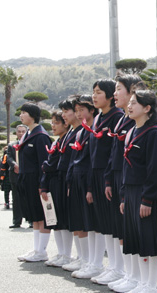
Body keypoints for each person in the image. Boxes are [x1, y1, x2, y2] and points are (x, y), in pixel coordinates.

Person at [119, 89, 157, 293]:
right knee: (136, 239)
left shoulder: (155, 133)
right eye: (129, 102)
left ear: (147, 108)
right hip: (130, 191)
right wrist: (123, 196)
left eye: (134, 103)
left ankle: (151, 285)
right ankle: (142, 282)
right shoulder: (131, 131)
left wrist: (148, 199)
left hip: (145, 192)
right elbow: (125, 166)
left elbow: (156, 169)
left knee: (150, 239)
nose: (129, 106)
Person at [97, 74, 143, 287]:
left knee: (130, 231)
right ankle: (124, 272)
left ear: (132, 91)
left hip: (131, 180)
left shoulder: (137, 121)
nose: (115, 94)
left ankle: (136, 278)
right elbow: (113, 153)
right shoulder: (124, 119)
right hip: (116, 176)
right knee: (118, 228)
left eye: (118, 89)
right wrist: (108, 179)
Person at [75, 79, 123, 281]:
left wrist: (108, 179)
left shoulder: (116, 117)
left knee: (113, 225)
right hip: (95, 175)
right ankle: (110, 266)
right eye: (93, 92)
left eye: (99, 92)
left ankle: (118, 269)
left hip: (108, 175)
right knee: (102, 224)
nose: (94, 96)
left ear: (111, 95)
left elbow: (114, 151)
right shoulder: (98, 119)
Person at [63, 95, 97, 275]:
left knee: (88, 222)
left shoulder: (94, 130)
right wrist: (69, 180)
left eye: (82, 110)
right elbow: (73, 159)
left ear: (92, 110)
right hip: (76, 178)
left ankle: (91, 261)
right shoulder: (81, 131)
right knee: (78, 221)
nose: (78, 114)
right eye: (76, 111)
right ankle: (83, 258)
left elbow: (93, 161)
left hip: (87, 179)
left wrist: (90, 187)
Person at [15, 102, 52, 262]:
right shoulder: (28, 134)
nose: (21, 115)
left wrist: (41, 184)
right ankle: (36, 249)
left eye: (24, 112)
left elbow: (44, 163)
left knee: (41, 215)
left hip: (36, 181)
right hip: (26, 179)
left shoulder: (41, 136)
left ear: (32, 115)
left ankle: (42, 251)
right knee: (34, 216)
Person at [41, 111, 71, 267]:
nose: (53, 126)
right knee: (55, 221)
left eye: (56, 123)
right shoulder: (55, 142)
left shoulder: (66, 140)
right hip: (52, 182)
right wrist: (43, 186)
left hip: (61, 182)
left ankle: (67, 254)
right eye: (51, 123)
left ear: (65, 124)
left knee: (63, 220)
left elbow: (52, 164)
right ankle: (61, 252)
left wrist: (46, 166)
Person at [7, 124, 27, 228]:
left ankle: (31, 220)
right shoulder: (11, 145)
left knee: (28, 198)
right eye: (19, 131)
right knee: (16, 199)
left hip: (27, 175)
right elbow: (9, 157)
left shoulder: (29, 144)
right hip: (14, 174)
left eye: (23, 131)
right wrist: (15, 165)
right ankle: (16, 221)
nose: (21, 133)